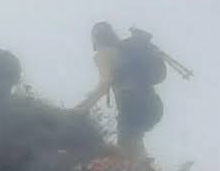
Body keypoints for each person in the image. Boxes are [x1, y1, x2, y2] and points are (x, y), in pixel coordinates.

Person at [69, 22, 181, 154]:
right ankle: (145, 169)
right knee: (134, 144)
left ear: (95, 39)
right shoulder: (125, 51)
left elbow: (105, 82)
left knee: (127, 149)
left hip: (131, 104)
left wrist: (82, 108)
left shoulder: (103, 54)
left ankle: (139, 169)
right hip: (153, 104)